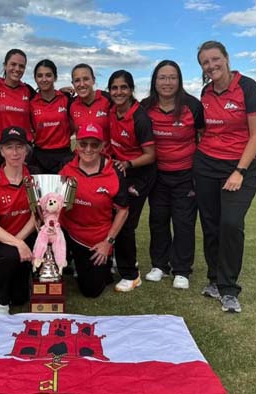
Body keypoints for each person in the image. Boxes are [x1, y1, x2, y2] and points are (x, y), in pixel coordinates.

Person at [195, 41, 256, 313]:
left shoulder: (249, 88)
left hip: (240, 167)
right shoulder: (206, 92)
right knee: (211, 224)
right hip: (206, 165)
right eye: (205, 62)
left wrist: (240, 170)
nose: (211, 65)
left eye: (215, 59)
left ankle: (229, 289)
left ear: (226, 58)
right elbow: (206, 131)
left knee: (231, 222)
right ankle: (214, 280)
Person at [141, 60, 205, 290]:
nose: (167, 82)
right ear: (154, 81)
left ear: (179, 80)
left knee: (184, 222)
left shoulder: (193, 106)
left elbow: (204, 136)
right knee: (158, 220)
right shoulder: (145, 106)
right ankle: (159, 265)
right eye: (162, 77)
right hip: (157, 175)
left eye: (172, 77)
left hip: (186, 174)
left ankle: (181, 270)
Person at [59, 123, 129, 297]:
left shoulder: (114, 170)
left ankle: (101, 264)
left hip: (96, 238)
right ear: (77, 145)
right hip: (68, 231)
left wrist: (108, 242)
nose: (88, 149)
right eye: (83, 144)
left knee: (91, 291)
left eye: (94, 144)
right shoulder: (66, 165)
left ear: (103, 146)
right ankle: (69, 258)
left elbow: (123, 210)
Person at [0, 126, 37, 314]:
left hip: (25, 235)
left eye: (20, 147)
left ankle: (2, 272)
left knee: (20, 298)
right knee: (11, 255)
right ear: (1, 151)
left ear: (27, 150)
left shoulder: (34, 176)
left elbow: (37, 215)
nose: (15, 152)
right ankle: (1, 302)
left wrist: (19, 241)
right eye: (9, 147)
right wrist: (17, 244)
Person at [107, 70, 156, 292]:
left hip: (140, 173)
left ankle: (132, 274)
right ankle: (124, 259)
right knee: (112, 215)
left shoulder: (140, 117)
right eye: (114, 88)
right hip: (122, 171)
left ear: (131, 90)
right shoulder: (111, 110)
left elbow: (150, 155)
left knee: (124, 219)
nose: (119, 92)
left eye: (123, 87)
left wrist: (127, 164)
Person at [0, 49, 36, 170]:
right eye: (13, 64)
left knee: (23, 187)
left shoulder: (28, 90)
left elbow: (46, 101)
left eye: (21, 66)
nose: (17, 69)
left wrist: (64, 93)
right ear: (5, 65)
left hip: (23, 149)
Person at [30, 59, 73, 173]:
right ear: (35, 79)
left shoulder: (66, 98)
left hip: (64, 156)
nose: (44, 79)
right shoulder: (31, 102)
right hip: (39, 157)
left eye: (48, 75)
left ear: (55, 77)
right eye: (40, 76)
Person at [69, 63, 112, 150]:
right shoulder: (71, 104)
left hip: (106, 158)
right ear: (72, 83)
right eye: (77, 80)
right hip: (82, 159)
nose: (82, 84)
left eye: (86, 79)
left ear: (93, 80)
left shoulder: (108, 99)